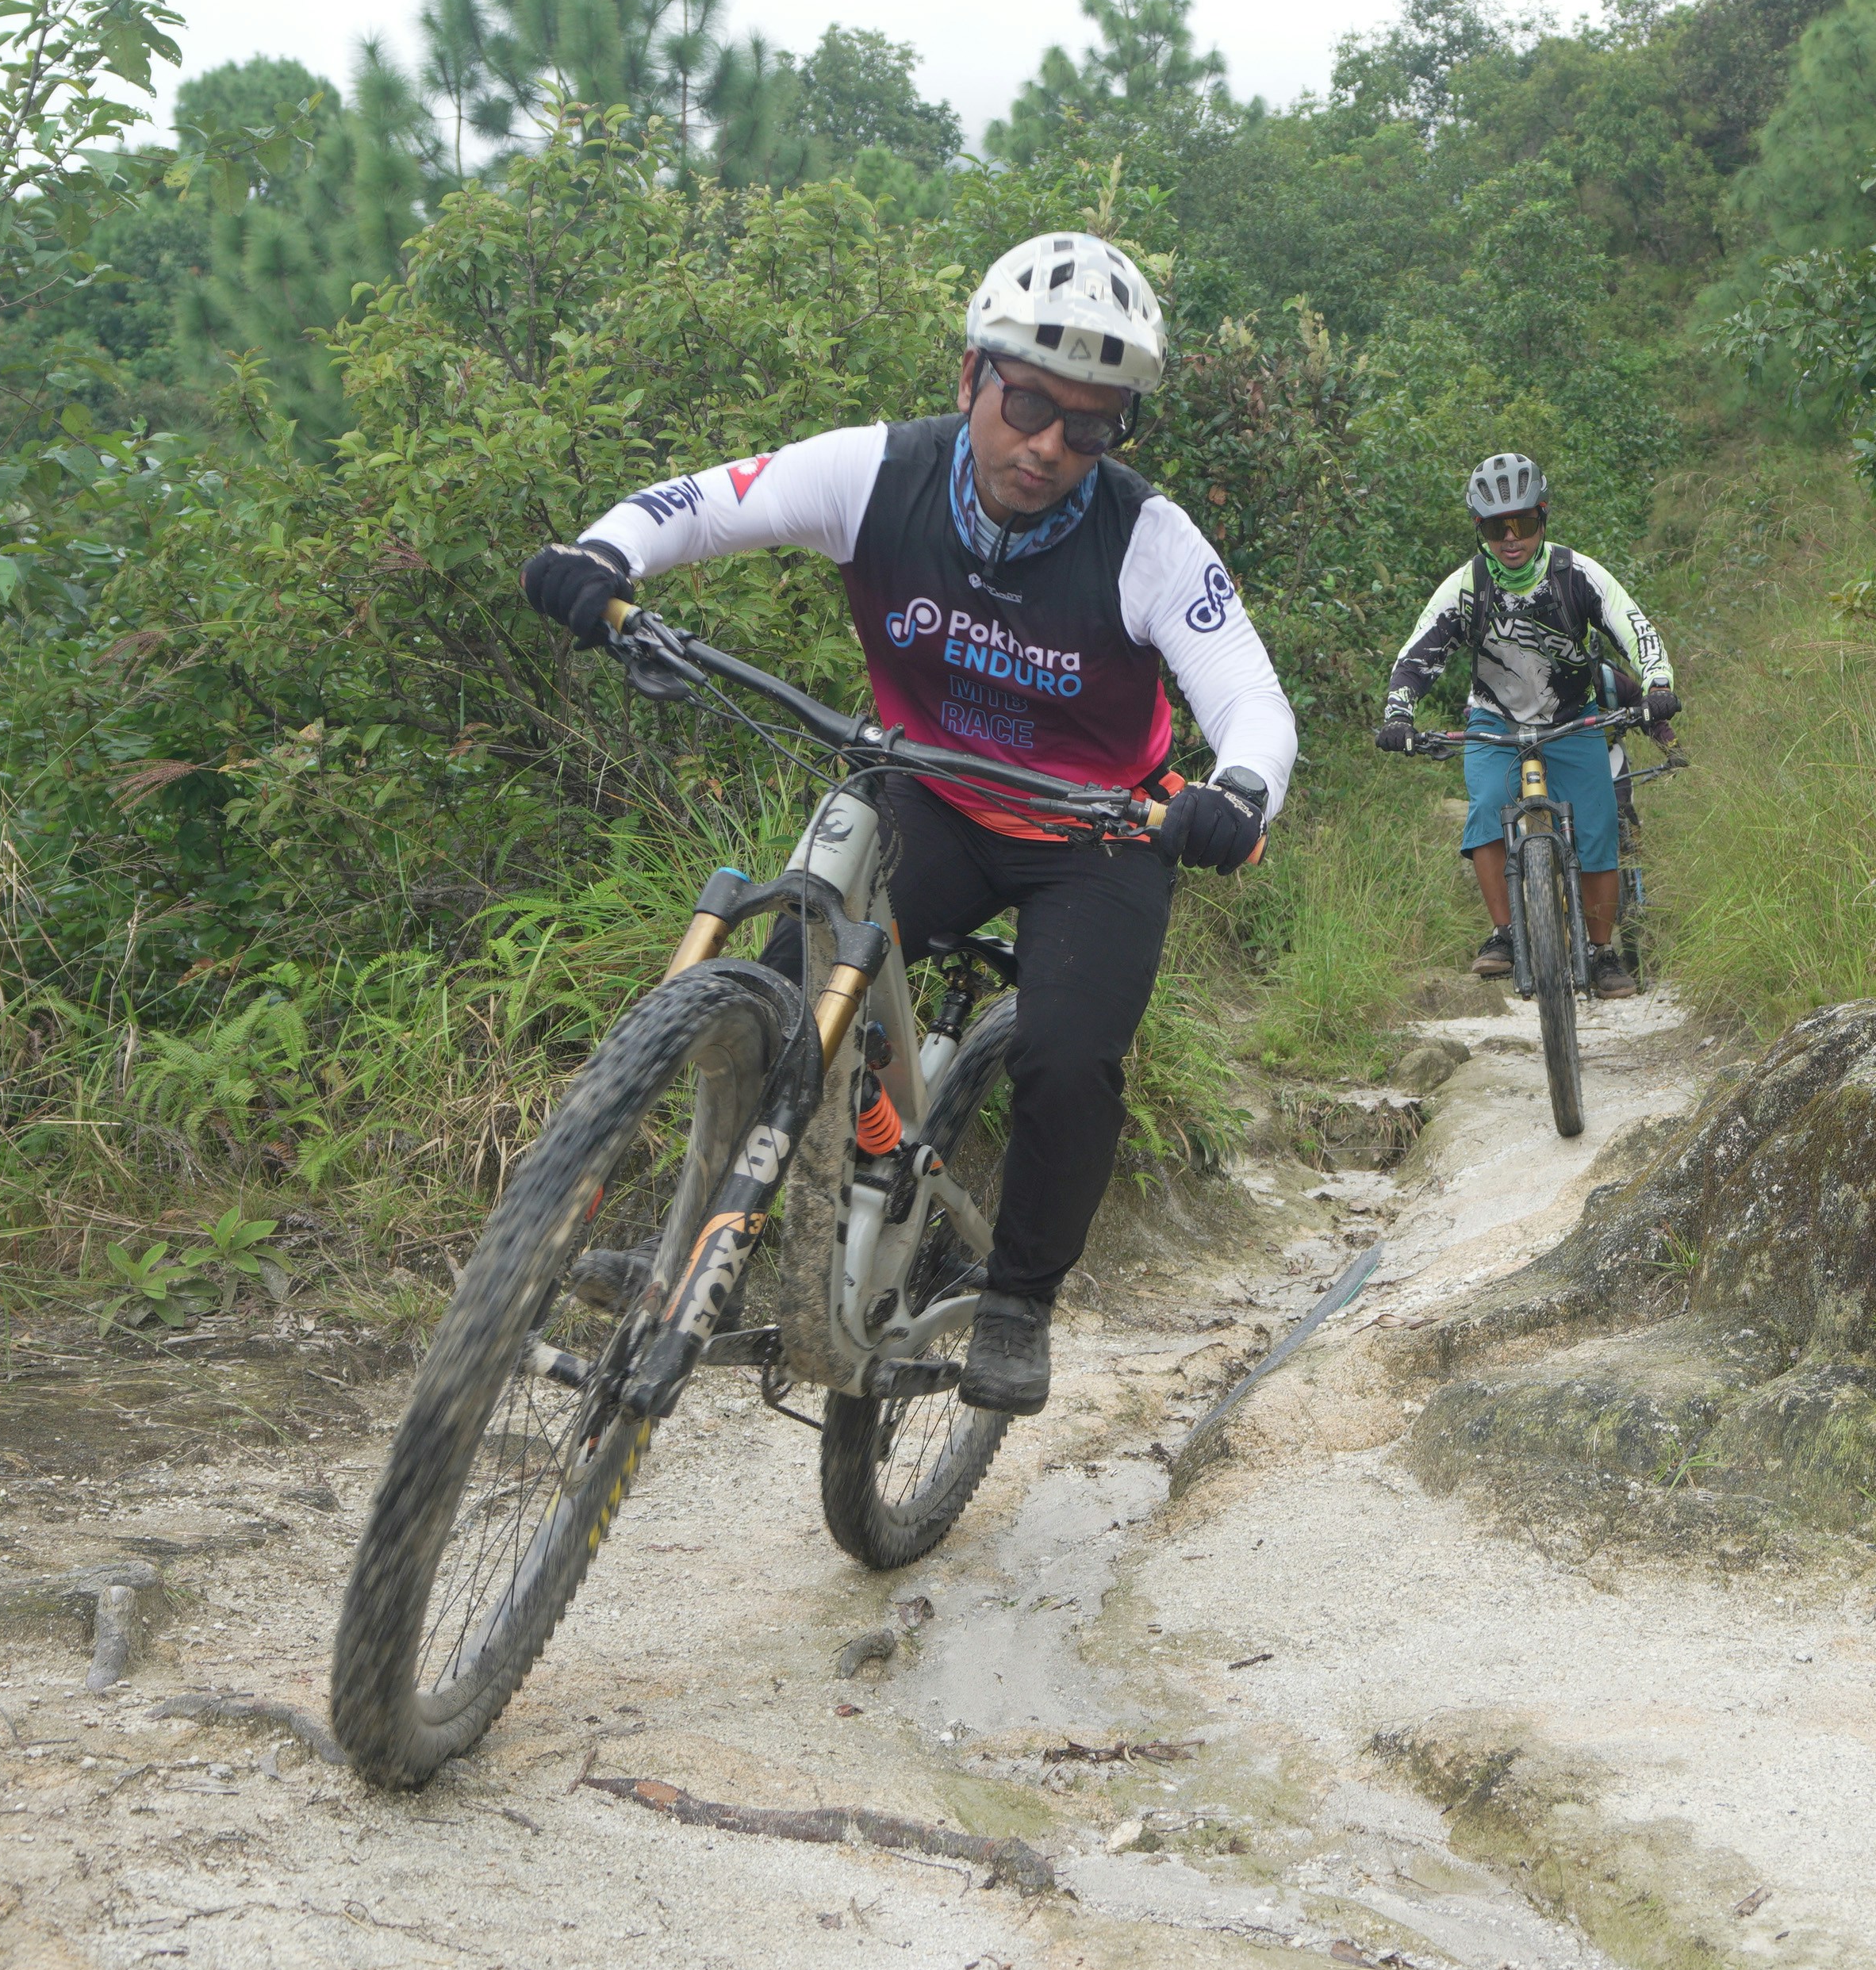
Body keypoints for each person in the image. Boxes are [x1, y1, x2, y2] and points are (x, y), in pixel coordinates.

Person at [514, 232, 1295, 1417]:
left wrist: (1235, 794)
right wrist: (603, 557)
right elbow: (705, 504)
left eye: (1090, 427)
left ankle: (1019, 1297)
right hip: (928, 792)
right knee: (781, 986)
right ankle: (706, 1244)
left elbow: (1248, 693)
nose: (1048, 446)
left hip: (1097, 837)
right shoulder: (876, 472)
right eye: (1028, 401)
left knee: (1068, 1059)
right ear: (971, 376)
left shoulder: (1146, 538)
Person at [1373, 453, 1679, 998]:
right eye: (1496, 527)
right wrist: (1399, 712)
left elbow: (1634, 628)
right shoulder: (1463, 587)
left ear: (1543, 518)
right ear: (1479, 528)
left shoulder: (1576, 574)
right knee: (1487, 807)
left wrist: (1656, 684)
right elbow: (1415, 657)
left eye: (1523, 523)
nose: (1510, 538)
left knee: (1598, 824)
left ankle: (1601, 951)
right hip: (1494, 720)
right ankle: (1505, 934)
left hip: (1573, 718)